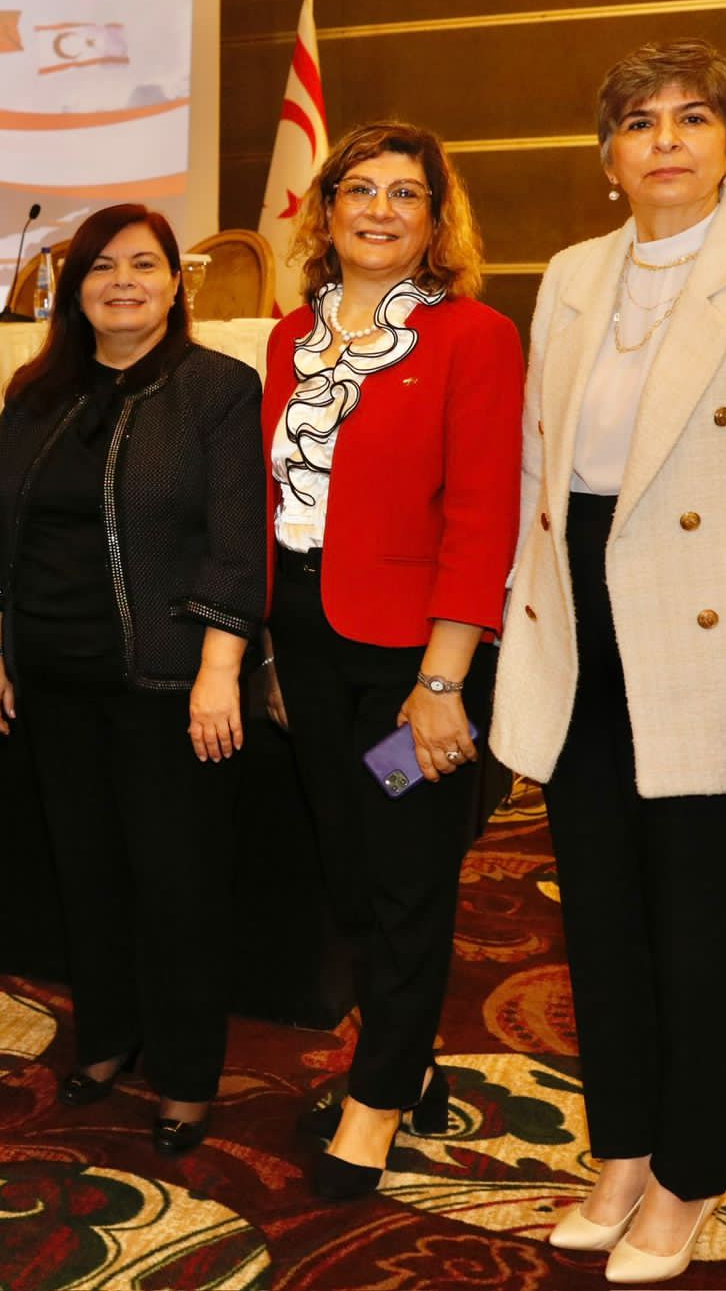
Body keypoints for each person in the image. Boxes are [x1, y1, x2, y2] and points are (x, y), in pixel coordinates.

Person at [493, 39, 726, 1284]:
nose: (664, 139)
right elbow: (538, 473)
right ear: (606, 154)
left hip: (712, 636)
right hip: (578, 626)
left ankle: (688, 1172)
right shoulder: (570, 272)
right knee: (597, 922)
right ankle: (620, 1152)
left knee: (699, 931)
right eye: (638, 120)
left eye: (691, 117)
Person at [260, 121, 522, 1200]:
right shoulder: (289, 336)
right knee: (350, 870)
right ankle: (405, 1058)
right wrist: (271, 650)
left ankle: (374, 1102)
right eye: (358, 189)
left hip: (414, 662)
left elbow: (483, 514)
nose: (377, 209)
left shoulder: (473, 336)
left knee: (405, 871)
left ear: (434, 219)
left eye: (403, 193)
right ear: (324, 211)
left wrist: (440, 682)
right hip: (309, 643)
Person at [0, 202, 264, 1154]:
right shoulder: (36, 393)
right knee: (86, 873)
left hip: (170, 686)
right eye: (102, 266)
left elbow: (237, 541)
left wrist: (219, 668)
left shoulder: (217, 388)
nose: (122, 282)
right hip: (53, 679)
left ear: (176, 284)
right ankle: (106, 1039)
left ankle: (184, 1075)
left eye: (143, 264)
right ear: (75, 290)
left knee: (177, 886)